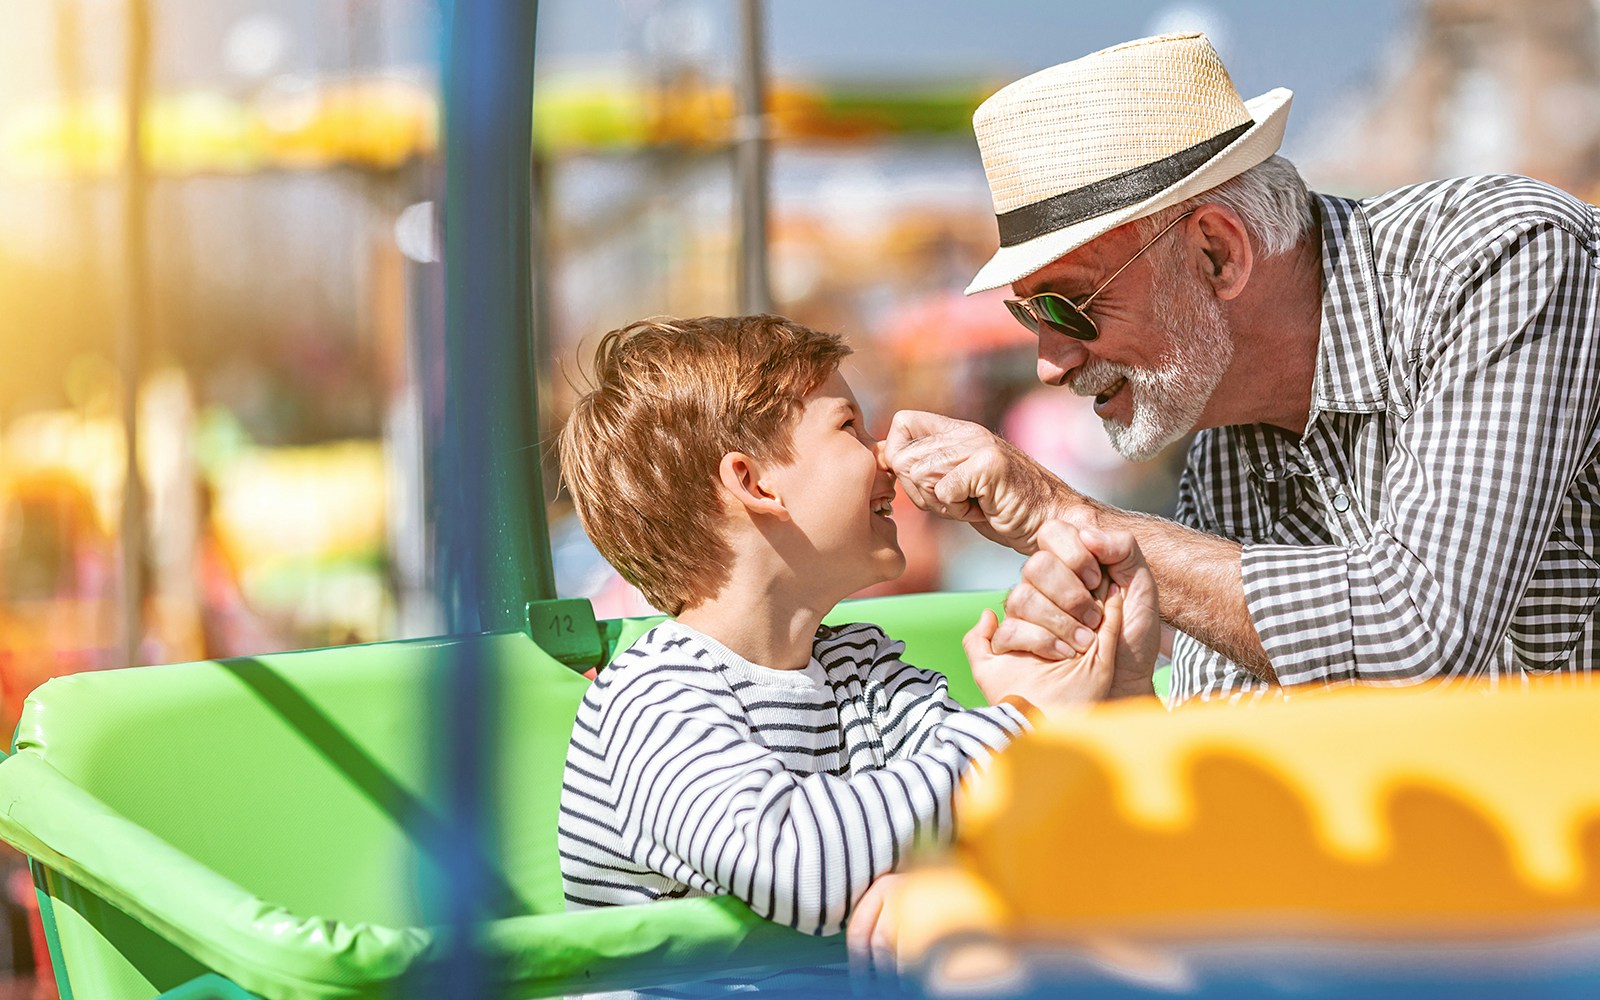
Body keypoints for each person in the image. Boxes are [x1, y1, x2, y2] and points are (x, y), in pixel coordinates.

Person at [885, 32, 1600, 705]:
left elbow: (1417, 638)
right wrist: (1114, 700)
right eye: (1030, 316)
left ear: (1217, 253)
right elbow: (1237, 725)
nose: (1050, 361)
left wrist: (1062, 513)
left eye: (1069, 308)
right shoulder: (1225, 416)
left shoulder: (1504, 258)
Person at [555, 315, 1157, 989]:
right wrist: (1020, 723)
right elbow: (791, 862)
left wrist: (1098, 688)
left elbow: (1001, 810)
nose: (888, 456)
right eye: (849, 427)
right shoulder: (651, 698)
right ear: (755, 484)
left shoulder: (863, 672)